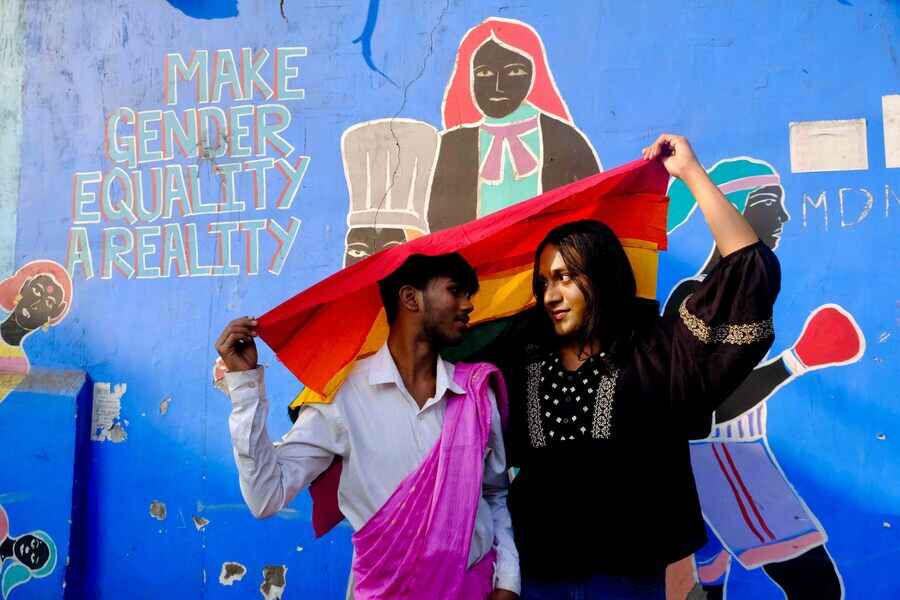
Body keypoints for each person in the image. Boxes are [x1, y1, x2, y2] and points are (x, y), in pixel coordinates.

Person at [463, 134, 781, 598]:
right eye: (544, 282)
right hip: (538, 572)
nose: (550, 294)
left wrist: (691, 172)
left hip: (626, 576)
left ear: (603, 278)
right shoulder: (521, 358)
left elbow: (747, 273)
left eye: (566, 278)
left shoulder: (658, 353)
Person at [216, 253, 520, 599]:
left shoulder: (476, 394)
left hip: (472, 587)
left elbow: (494, 494)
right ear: (410, 298)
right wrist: (245, 387)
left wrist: (508, 581)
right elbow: (265, 497)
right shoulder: (342, 397)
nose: (468, 306)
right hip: (384, 590)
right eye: (456, 291)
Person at [663, 158, 856, 599]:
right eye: (771, 204)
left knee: (709, 585)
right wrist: (797, 361)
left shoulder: (739, 293)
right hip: (723, 462)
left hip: (732, 459)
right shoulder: (693, 299)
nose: (784, 217)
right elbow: (705, 410)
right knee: (816, 585)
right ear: (734, 210)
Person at [428, 17, 600, 232]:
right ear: (469, 77)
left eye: (514, 71)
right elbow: (438, 223)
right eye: (484, 73)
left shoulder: (564, 138)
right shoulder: (453, 145)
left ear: (534, 76)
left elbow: (595, 209)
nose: (497, 86)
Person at [0, 260, 73, 403]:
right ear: (23, 289)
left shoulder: (19, 365)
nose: (35, 304)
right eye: (37, 290)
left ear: (50, 317)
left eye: (48, 303)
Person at [0, 505, 57, 599]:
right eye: (34, 543)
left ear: (28, 567)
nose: (28, 549)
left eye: (33, 558)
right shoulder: (2, 520)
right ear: (32, 535)